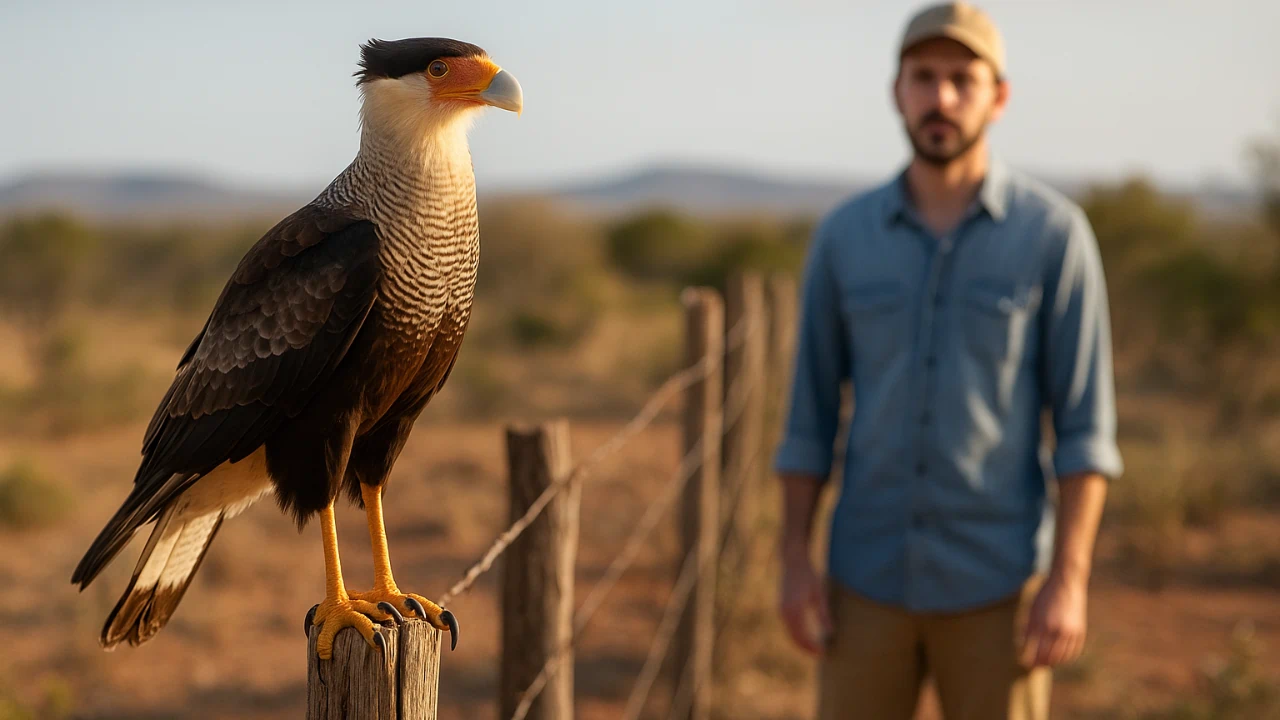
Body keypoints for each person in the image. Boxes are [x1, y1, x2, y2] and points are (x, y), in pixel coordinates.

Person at [772, 3, 1123, 719]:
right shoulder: (843, 238)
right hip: (863, 580)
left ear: (999, 95)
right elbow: (808, 419)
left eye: (964, 78)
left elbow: (1085, 431)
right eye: (923, 77)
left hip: (998, 587)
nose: (942, 98)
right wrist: (793, 561)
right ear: (896, 90)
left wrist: (1070, 581)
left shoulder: (1054, 235)